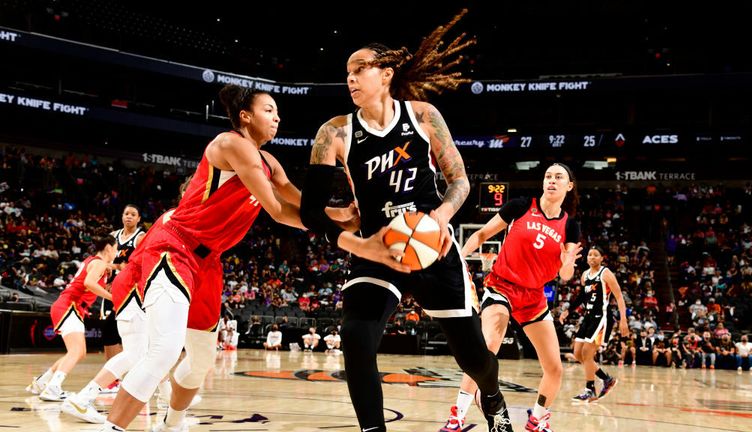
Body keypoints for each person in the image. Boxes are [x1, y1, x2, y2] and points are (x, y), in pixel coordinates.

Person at [299, 10, 515, 432]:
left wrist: (439, 218)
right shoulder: (335, 133)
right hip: (376, 248)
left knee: (474, 358)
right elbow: (311, 211)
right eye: (347, 72)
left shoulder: (423, 116)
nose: (351, 78)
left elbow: (459, 181)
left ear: (386, 73)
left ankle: (491, 395)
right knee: (356, 340)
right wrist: (350, 229)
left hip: (432, 248)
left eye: (360, 68)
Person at [99, 85, 308, 432]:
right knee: (165, 349)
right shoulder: (230, 144)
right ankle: (112, 428)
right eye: (269, 110)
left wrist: (344, 217)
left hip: (209, 263)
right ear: (245, 116)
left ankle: (172, 423)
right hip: (176, 246)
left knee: (200, 363)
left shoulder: (269, 162)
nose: (277, 117)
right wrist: (337, 228)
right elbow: (276, 208)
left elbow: (297, 206)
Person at [443, 163, 582, 432]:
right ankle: (456, 416)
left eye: (558, 177)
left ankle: (538, 419)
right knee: (488, 345)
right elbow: (482, 234)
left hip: (533, 297)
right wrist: (457, 259)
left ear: (569, 186)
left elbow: (566, 274)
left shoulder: (570, 227)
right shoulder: (520, 207)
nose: (551, 181)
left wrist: (567, 261)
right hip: (502, 287)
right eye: (548, 176)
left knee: (555, 368)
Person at [62, 182, 190, 424]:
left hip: (127, 289)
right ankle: (83, 398)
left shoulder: (152, 230)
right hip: (132, 290)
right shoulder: (169, 223)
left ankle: (167, 397)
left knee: (149, 351)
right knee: (138, 353)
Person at [26, 227, 117, 402]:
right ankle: (53, 388)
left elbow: (94, 278)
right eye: (115, 248)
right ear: (108, 248)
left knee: (76, 352)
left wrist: (109, 268)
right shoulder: (98, 263)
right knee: (77, 351)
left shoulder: (96, 262)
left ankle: (41, 382)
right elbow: (90, 283)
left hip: (68, 306)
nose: (116, 251)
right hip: (70, 306)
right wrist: (112, 297)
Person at [559, 246, 629, 402]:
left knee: (587, 354)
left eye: (595, 255)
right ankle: (607, 379)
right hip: (588, 317)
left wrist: (623, 319)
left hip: (602, 317)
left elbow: (619, 297)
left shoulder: (606, 273)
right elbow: (581, 298)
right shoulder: (585, 275)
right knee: (577, 354)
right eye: (589, 255)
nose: (592, 257)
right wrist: (567, 311)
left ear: (601, 258)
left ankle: (590, 389)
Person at [100, 204, 146, 394]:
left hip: (130, 292)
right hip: (110, 290)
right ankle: (112, 380)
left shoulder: (141, 237)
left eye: (133, 214)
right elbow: (103, 261)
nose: (128, 217)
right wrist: (109, 270)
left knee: (132, 336)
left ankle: (137, 378)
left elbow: (139, 264)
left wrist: (116, 267)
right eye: (126, 213)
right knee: (108, 333)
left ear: (138, 219)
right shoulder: (113, 236)